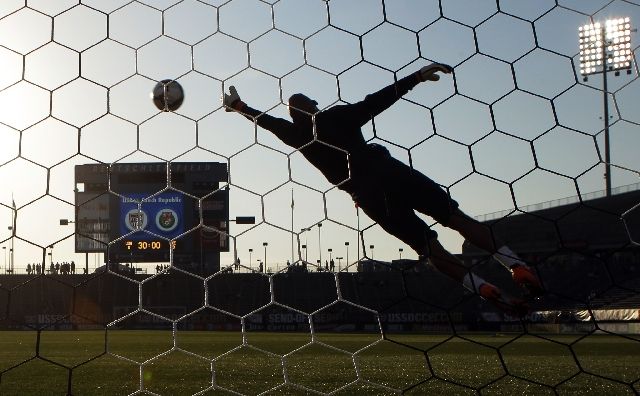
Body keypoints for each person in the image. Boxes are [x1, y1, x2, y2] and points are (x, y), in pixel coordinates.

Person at [223, 63, 543, 315]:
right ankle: (516, 265)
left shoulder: (295, 135)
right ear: (314, 105)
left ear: (293, 116)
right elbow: (378, 101)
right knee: (455, 219)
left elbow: (264, 120)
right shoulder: (337, 116)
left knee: (430, 250)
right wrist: (415, 77)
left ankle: (482, 287)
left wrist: (238, 106)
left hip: (368, 196)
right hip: (390, 173)